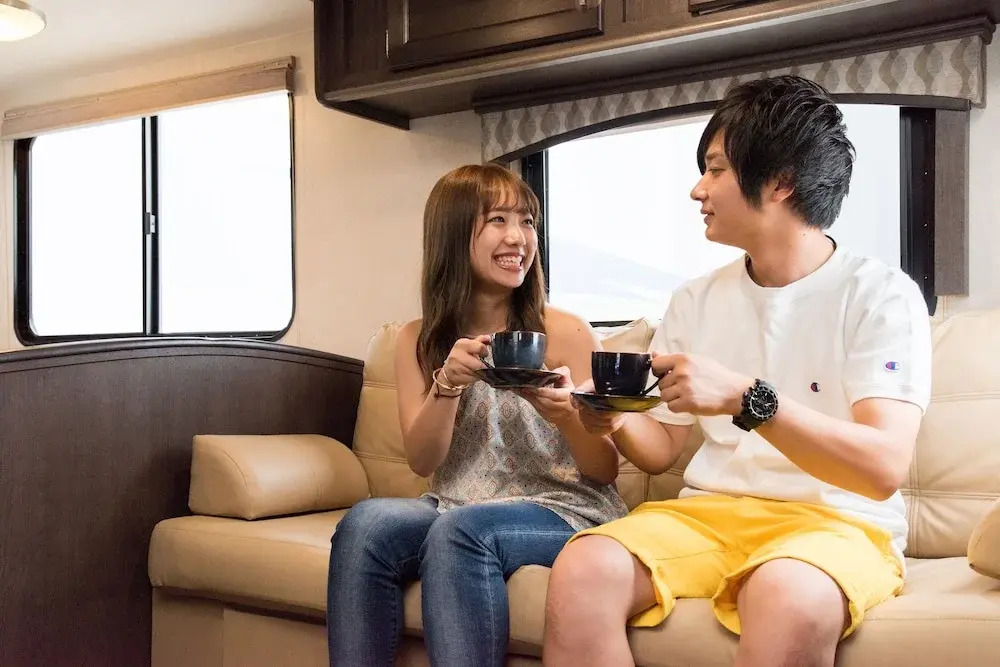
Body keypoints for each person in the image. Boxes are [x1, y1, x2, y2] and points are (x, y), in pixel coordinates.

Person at [543, 75, 932, 667]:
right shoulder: (695, 300)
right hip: (710, 515)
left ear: (780, 182)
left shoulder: (880, 294)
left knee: (785, 593)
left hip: (838, 523)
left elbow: (881, 468)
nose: (698, 189)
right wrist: (610, 417)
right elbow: (661, 451)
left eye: (716, 169)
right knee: (583, 566)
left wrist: (746, 397)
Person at [326, 164, 628, 667]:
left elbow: (605, 470)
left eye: (527, 221)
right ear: (452, 234)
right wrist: (447, 385)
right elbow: (423, 462)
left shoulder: (568, 332)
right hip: (454, 501)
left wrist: (566, 417)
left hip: (565, 508)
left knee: (461, 530)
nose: (518, 238)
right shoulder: (416, 339)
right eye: (498, 220)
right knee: (365, 525)